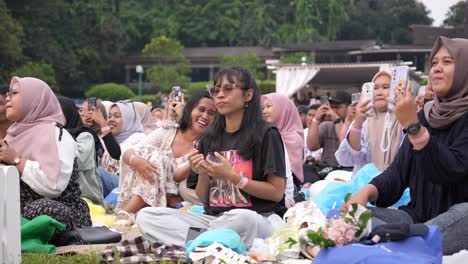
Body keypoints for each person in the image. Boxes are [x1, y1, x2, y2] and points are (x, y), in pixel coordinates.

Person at [136, 67, 286, 248]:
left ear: (248, 95)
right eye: (216, 90)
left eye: (228, 89)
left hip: (257, 218)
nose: (220, 95)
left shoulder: (266, 134)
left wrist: (233, 177)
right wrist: (202, 173)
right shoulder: (209, 138)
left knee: (243, 218)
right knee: (147, 216)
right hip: (215, 219)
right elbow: (203, 197)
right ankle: (214, 241)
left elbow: (277, 192)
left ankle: (203, 241)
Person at [345, 37, 468, 255]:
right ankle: (404, 238)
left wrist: (414, 127)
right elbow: (398, 172)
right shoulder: (426, 115)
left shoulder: (420, 120)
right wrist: (367, 191)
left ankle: (397, 239)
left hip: (456, 218)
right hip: (417, 216)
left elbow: (452, 169)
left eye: (447, 62)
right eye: (434, 63)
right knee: (343, 218)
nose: (437, 69)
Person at [1, 77, 91, 231]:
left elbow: (53, 185)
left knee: (43, 210)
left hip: (60, 207)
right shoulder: (13, 135)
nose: (8, 98)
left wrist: (16, 160)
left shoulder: (56, 133)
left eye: (14, 93)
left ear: (33, 98)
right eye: (8, 94)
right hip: (19, 206)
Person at [115, 91, 216, 222]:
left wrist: (190, 164)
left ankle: (126, 214)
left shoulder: (205, 146)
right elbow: (130, 152)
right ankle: (127, 214)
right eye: (201, 109)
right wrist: (137, 162)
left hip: (168, 197)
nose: (205, 116)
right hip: (145, 190)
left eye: (211, 113)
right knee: (153, 155)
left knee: (158, 158)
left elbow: (177, 177)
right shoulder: (168, 132)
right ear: (190, 109)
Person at [335, 71, 404, 176]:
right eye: (375, 88)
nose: (379, 92)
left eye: (385, 87)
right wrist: (358, 123)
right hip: (366, 186)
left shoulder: (404, 119)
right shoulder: (364, 120)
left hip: (399, 186)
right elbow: (346, 158)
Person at [58, 96, 105, 205]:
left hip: (86, 198)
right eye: (81, 110)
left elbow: (77, 162)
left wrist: (103, 124)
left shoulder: (85, 135)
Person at [261, 93, 302, 207]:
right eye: (262, 108)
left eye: (268, 106)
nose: (264, 111)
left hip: (288, 189)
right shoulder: (265, 134)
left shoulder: (292, 137)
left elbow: (288, 174)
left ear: (283, 109)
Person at [99, 101, 146, 195]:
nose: (111, 120)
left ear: (128, 119)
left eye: (117, 116)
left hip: (127, 186)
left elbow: (117, 153)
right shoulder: (110, 139)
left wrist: (103, 125)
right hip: (111, 186)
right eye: (109, 116)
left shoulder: (138, 139)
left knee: (96, 172)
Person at [306, 91, 352, 178]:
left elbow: (346, 144)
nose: (333, 111)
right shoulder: (327, 125)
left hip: (348, 170)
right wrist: (316, 120)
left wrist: (337, 119)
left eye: (337, 107)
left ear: (349, 107)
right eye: (332, 107)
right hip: (326, 169)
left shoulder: (356, 125)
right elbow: (312, 146)